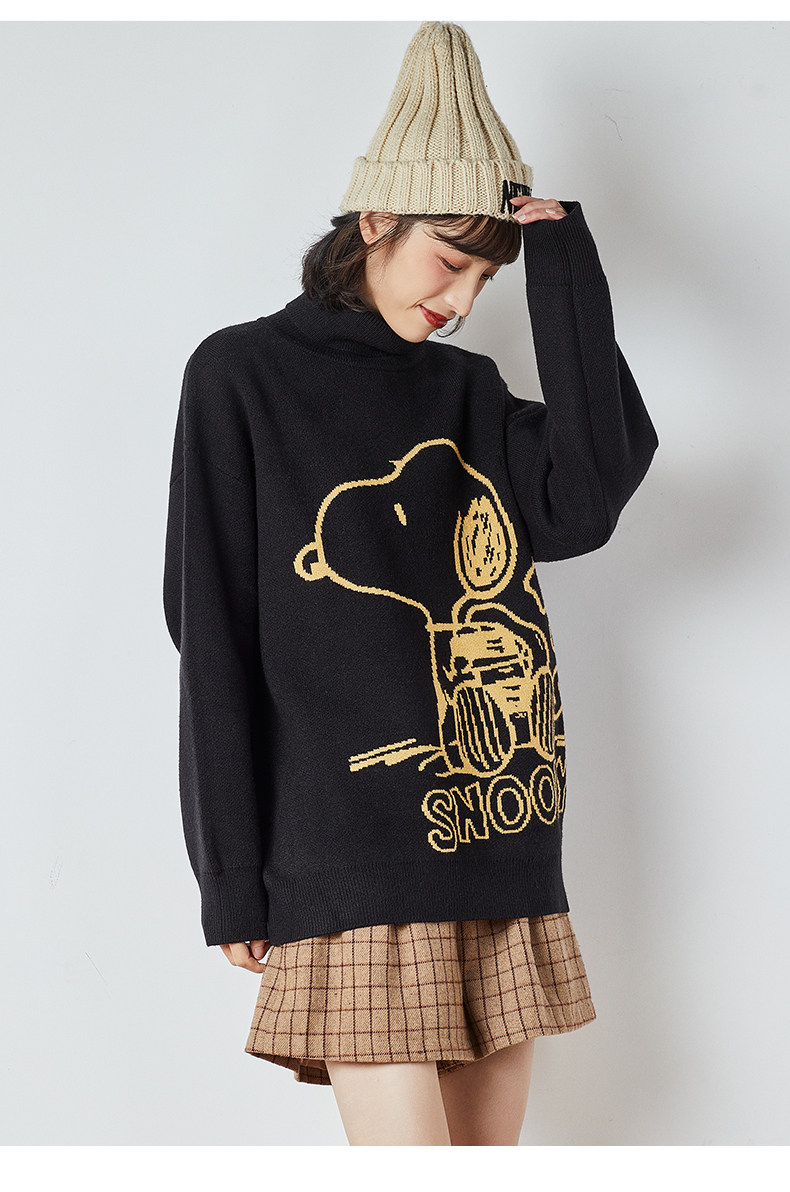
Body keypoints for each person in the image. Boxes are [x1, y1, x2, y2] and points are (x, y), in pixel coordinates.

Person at [162, 22, 659, 1146]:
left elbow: (588, 494)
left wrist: (562, 261)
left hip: (499, 823)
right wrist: (230, 868)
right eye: (451, 260)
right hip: (349, 852)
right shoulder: (241, 376)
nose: (463, 299)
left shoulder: (468, 391)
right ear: (377, 219)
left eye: (487, 275)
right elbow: (211, 632)